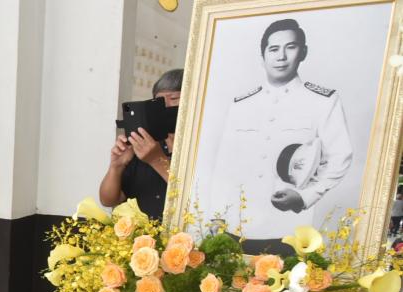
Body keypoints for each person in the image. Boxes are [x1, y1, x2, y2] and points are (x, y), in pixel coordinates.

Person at [209, 18, 353, 253]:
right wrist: (218, 215)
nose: (281, 57)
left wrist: (304, 197)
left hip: (288, 229)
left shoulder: (322, 101)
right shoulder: (241, 105)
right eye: (274, 49)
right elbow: (225, 164)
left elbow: (339, 157)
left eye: (290, 47)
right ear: (263, 55)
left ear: (303, 52)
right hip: (237, 226)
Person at [98, 69, 183, 221]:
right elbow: (108, 200)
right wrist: (116, 166)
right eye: (159, 100)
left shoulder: (198, 148)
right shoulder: (144, 145)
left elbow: (193, 196)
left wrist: (156, 160)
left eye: (174, 98)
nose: (165, 105)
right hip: (137, 234)